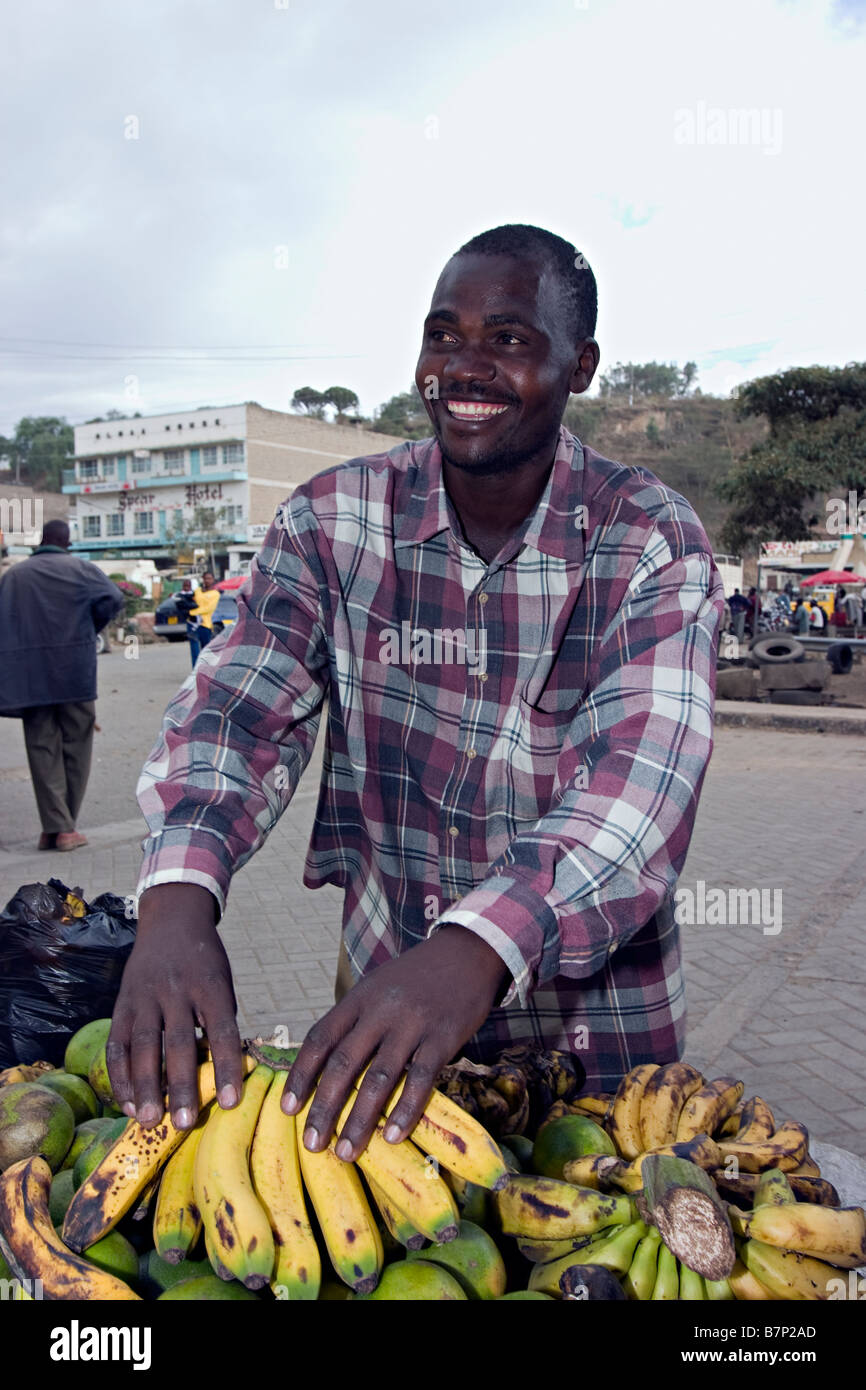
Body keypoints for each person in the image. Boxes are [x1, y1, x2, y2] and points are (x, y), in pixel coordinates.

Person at [108, 224, 725, 1159]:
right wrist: (176, 905)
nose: (464, 368)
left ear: (582, 365)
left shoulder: (647, 538)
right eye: (443, 335)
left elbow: (640, 791)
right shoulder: (332, 519)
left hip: (597, 1030)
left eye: (509, 339)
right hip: (385, 1004)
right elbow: (237, 715)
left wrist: (475, 947)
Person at [0, 520, 124, 850]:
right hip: (74, 671)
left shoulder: (14, 576)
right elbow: (113, 598)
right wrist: (90, 628)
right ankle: (65, 827)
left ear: (42, 540)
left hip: (30, 676)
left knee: (41, 748)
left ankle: (54, 828)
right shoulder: (81, 569)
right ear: (67, 542)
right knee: (77, 746)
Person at [182, 571, 219, 667]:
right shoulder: (197, 591)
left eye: (209, 578)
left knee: (205, 651)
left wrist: (191, 612)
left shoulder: (215, 594)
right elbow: (188, 601)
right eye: (205, 578)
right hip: (192, 623)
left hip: (205, 625)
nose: (207, 580)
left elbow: (208, 609)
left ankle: (205, 671)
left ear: (213, 580)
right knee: (194, 651)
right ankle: (195, 672)